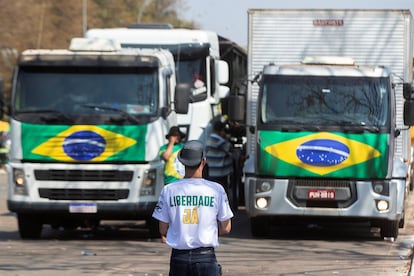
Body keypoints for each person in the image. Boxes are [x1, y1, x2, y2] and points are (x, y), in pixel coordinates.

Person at [152, 140, 234, 276]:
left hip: (179, 258)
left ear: (182, 162)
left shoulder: (169, 190)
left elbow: (163, 229)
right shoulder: (216, 190)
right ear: (203, 161)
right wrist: (207, 231)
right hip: (206, 257)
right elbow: (226, 227)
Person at [205, 117, 233, 196]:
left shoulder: (209, 139)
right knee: (222, 192)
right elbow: (230, 148)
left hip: (212, 172)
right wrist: (226, 137)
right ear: (222, 130)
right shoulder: (220, 141)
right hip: (220, 173)